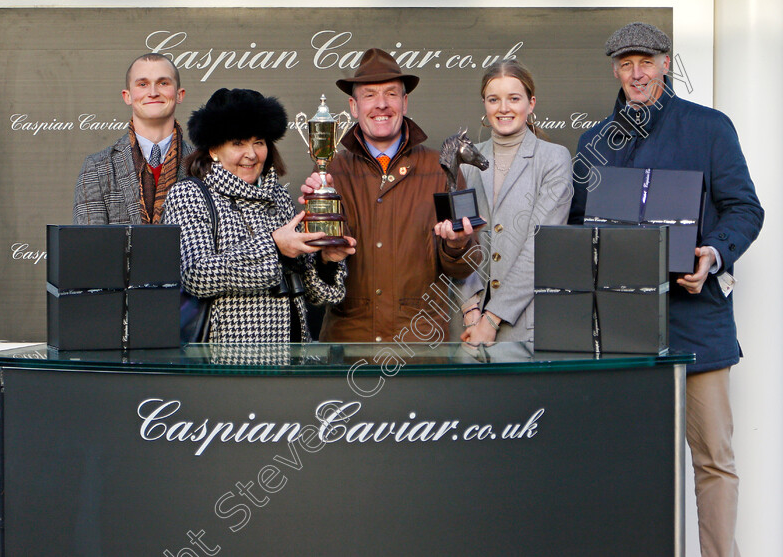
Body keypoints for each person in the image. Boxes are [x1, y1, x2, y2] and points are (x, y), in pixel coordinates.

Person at [568, 23, 763, 557]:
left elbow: (747, 208)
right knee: (626, 458)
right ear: (615, 68)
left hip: (698, 318)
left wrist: (712, 252)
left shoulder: (710, 127)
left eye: (647, 62)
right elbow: (581, 226)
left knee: (713, 459)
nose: (637, 73)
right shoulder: (592, 144)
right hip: (622, 325)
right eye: (626, 63)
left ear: (665, 64)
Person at [301, 48, 481, 343]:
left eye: (391, 94)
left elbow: (464, 269)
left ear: (405, 102)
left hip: (420, 348)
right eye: (370, 95)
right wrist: (321, 246)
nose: (381, 104)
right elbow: (317, 276)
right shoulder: (331, 170)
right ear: (353, 106)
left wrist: (458, 244)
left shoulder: (440, 169)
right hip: (349, 346)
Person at [162, 88, 355, 343]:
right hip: (230, 359)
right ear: (214, 150)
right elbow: (195, 275)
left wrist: (326, 261)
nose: (251, 154)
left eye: (259, 142)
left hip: (292, 354)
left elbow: (318, 296)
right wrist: (274, 246)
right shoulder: (189, 194)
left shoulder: (279, 197)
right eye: (238, 143)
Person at [459, 60, 572, 345]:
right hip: (468, 329)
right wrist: (471, 309)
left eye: (514, 98)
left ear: (531, 103)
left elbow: (540, 247)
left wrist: (492, 318)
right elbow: (458, 243)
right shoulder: (466, 163)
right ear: (484, 104)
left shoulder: (554, 159)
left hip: (527, 327)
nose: (504, 108)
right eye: (494, 99)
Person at [74, 53, 193, 224]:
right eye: (142, 84)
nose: (153, 92)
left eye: (163, 83)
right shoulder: (97, 167)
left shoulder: (205, 166)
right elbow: (89, 246)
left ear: (180, 94)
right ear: (127, 96)